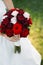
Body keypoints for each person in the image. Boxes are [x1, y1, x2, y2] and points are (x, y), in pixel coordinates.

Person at [0, 0, 41, 65]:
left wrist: (14, 16)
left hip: (5, 25)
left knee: (20, 55)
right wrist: (4, 35)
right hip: (4, 34)